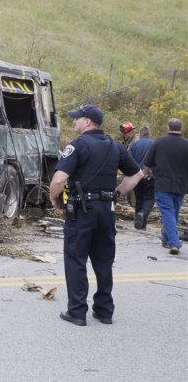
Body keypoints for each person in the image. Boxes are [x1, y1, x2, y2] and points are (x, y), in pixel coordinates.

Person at [49, 105, 143, 326]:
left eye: (77, 119)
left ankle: (77, 311)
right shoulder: (115, 146)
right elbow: (136, 174)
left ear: (88, 122)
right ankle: (104, 310)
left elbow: (59, 179)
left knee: (75, 258)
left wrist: (54, 198)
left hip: (82, 210)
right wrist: (117, 193)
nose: (74, 122)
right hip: (106, 210)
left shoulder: (78, 145)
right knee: (103, 260)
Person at [142, 118, 188, 255]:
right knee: (173, 213)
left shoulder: (159, 142)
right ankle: (166, 239)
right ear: (182, 128)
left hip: (163, 184)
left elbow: (147, 163)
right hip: (181, 185)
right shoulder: (186, 144)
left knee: (168, 213)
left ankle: (174, 243)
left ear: (168, 128)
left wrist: (146, 174)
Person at [128, 126, 155, 229]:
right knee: (150, 198)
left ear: (140, 134)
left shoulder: (134, 145)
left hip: (137, 175)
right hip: (151, 176)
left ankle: (139, 224)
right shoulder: (155, 144)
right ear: (149, 133)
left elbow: (129, 160)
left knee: (139, 198)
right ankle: (143, 214)